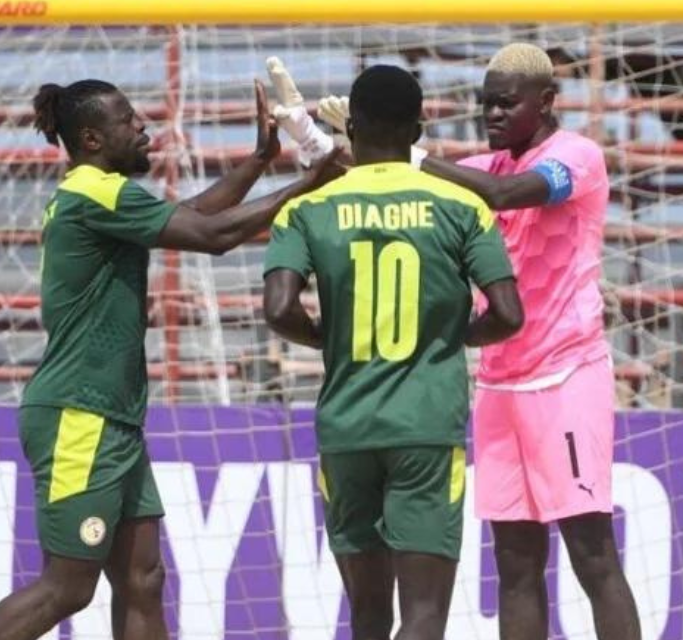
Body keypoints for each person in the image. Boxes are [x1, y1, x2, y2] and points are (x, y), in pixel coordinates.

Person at [274, 43, 642, 640]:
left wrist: (409, 152)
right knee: (515, 561)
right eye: (485, 105)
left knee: (591, 551)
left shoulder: (577, 157)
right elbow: (377, 184)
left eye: (506, 104)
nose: (492, 115)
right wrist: (311, 137)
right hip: (496, 381)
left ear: (547, 101)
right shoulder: (481, 167)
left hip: (566, 376)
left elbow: (503, 194)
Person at [0, 79, 338, 640]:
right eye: (128, 120)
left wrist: (261, 162)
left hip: (111, 418)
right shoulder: (96, 190)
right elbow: (211, 236)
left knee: (143, 579)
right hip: (79, 415)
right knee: (68, 587)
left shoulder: (99, 191)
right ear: (91, 137)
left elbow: (190, 215)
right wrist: (310, 182)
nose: (143, 127)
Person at [262, 65, 523, 640]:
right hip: (425, 425)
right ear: (419, 127)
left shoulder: (308, 208)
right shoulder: (460, 206)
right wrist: (451, 335)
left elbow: (279, 308)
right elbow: (508, 314)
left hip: (347, 426)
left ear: (349, 126)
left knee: (369, 618)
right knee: (424, 617)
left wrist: (326, 339)